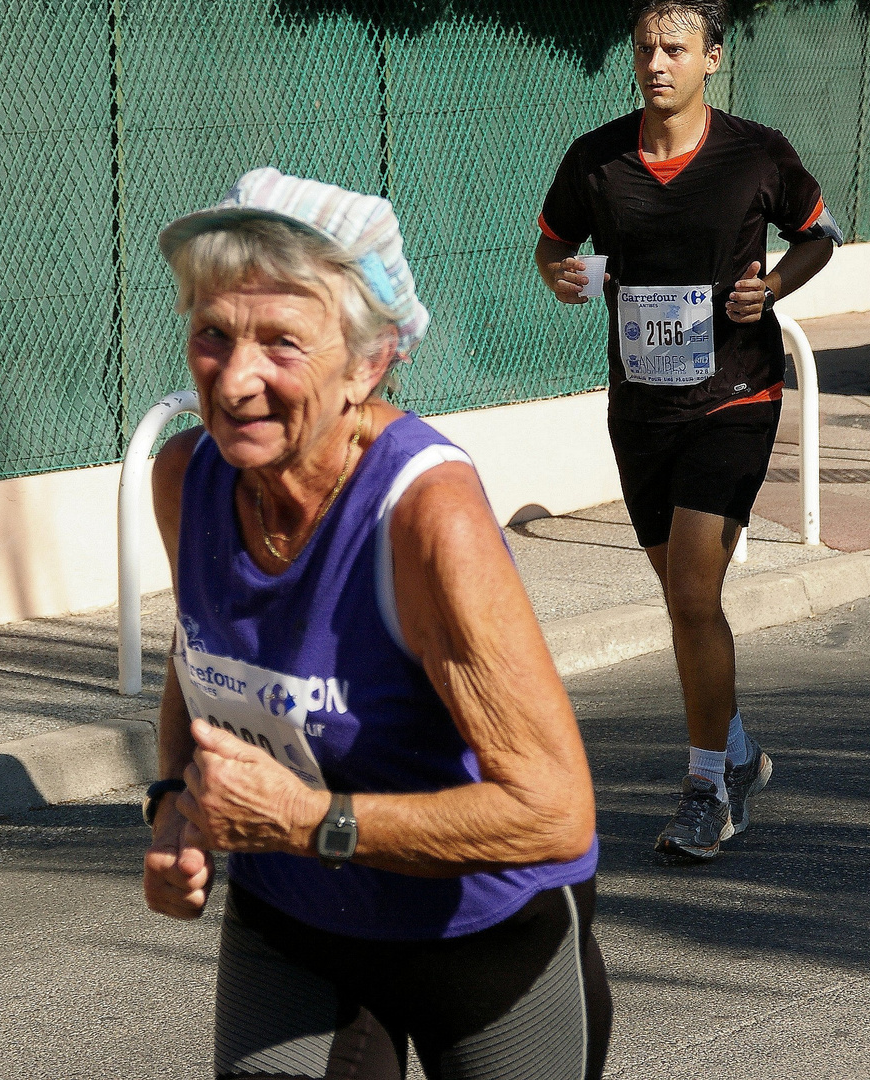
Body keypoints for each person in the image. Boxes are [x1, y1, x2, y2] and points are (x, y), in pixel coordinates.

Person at [141, 167, 612, 1080]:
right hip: (291, 921)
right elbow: (196, 656)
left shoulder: (425, 514)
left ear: (368, 359)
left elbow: (555, 811)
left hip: (479, 942)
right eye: (212, 334)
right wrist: (173, 807)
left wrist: (320, 822)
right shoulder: (185, 479)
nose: (234, 380)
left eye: (281, 343)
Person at [536, 0, 842, 860]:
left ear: (713, 57)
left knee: (691, 595)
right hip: (638, 408)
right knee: (680, 598)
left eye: (675, 48)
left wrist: (774, 287)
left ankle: (708, 786)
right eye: (642, 48)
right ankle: (738, 753)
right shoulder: (596, 159)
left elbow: (818, 233)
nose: (655, 63)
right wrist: (562, 275)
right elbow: (556, 242)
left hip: (735, 396)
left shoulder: (756, 152)